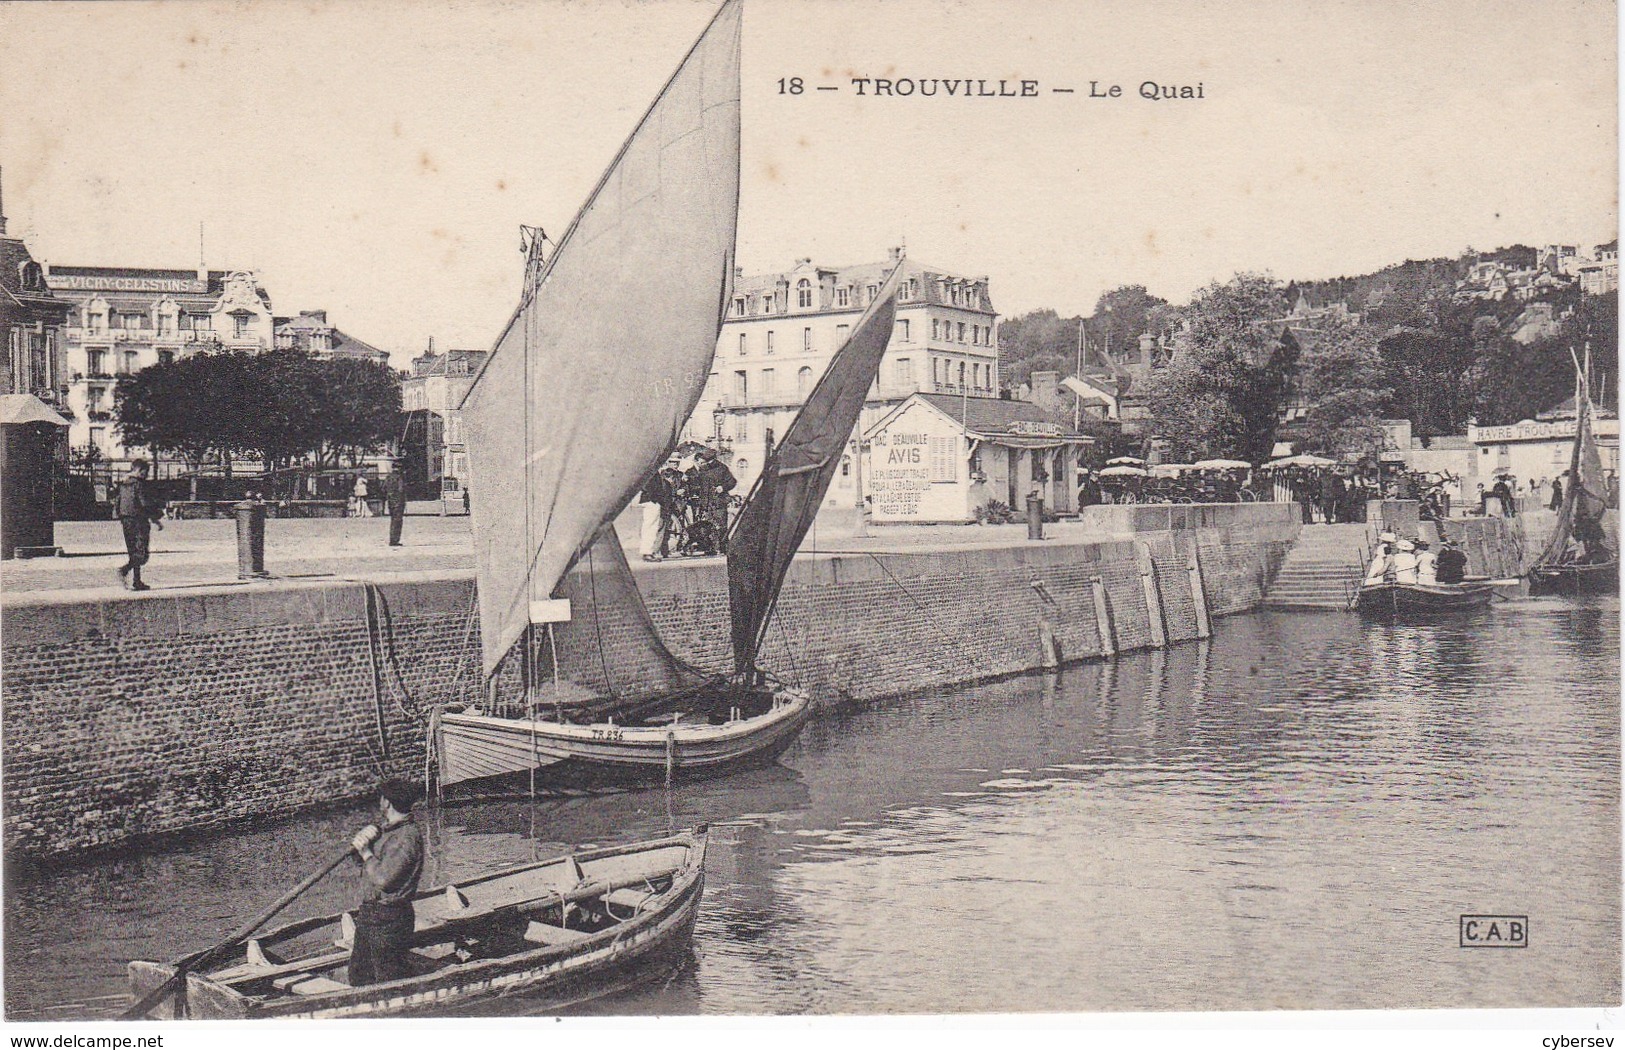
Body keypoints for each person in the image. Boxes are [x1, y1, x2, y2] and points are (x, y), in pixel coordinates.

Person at [348, 778, 425, 986]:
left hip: (390, 917)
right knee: (359, 976)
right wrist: (360, 846)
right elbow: (363, 865)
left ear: (386, 802)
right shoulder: (387, 832)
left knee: (390, 980)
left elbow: (384, 880)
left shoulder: (406, 837)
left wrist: (366, 853)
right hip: (370, 914)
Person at [115, 459, 165, 591]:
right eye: (145, 472)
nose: (146, 475)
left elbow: (118, 502)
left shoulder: (123, 484)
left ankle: (137, 581)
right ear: (138, 470)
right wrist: (157, 518)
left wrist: (120, 517)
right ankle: (124, 570)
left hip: (126, 521)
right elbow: (145, 503)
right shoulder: (139, 484)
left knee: (133, 551)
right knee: (142, 554)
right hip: (139, 521)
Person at [693, 448, 736, 555]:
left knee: (721, 526)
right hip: (706, 503)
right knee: (707, 526)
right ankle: (710, 548)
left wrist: (723, 487)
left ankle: (723, 548)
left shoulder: (722, 468)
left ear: (714, 459)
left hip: (719, 502)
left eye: (710, 461)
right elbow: (699, 485)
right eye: (707, 461)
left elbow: (732, 481)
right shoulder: (703, 469)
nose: (708, 463)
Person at [639, 465, 673, 562]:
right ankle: (647, 552)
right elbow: (648, 487)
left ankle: (648, 552)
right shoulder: (651, 471)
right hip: (652, 501)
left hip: (651, 501)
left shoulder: (650, 470)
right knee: (650, 527)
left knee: (650, 527)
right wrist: (655, 498)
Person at [383, 466, 407, 547]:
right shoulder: (399, 478)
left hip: (390, 502)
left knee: (392, 520)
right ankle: (395, 540)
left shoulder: (388, 477)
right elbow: (401, 489)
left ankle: (392, 539)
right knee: (398, 521)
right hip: (398, 502)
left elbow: (383, 488)